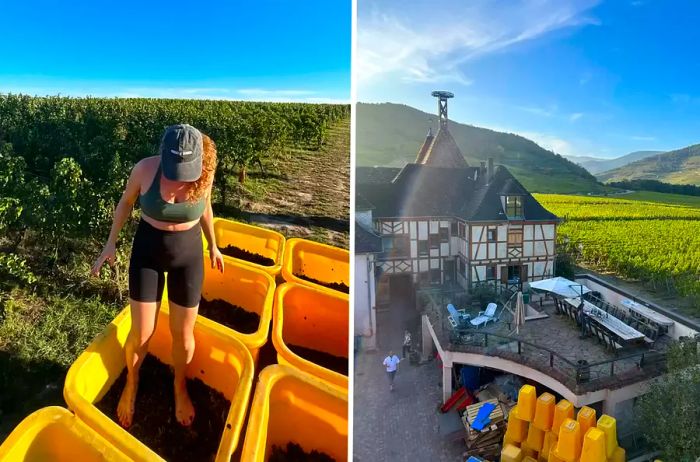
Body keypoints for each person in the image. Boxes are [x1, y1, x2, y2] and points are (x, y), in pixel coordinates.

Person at [91, 124, 224, 428]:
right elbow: (125, 202)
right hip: (148, 252)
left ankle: (179, 386)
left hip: (187, 255)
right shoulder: (144, 170)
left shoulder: (205, 172)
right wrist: (110, 242)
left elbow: (206, 208)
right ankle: (132, 382)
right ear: (162, 154)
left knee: (185, 337)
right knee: (142, 333)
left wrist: (214, 245)